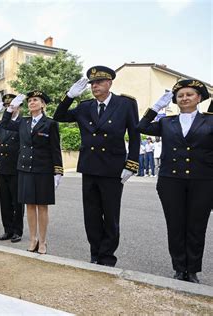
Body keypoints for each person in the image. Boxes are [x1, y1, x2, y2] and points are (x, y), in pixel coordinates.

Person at [53, 66, 140, 266]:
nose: (95, 86)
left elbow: (135, 136)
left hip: (113, 167)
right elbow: (59, 116)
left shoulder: (125, 104)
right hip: (90, 167)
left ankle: (107, 256)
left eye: (99, 82)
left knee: (110, 214)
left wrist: (132, 163)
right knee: (91, 215)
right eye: (92, 83)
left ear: (110, 83)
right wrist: (69, 96)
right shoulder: (85, 107)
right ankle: (95, 253)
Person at [137, 80, 213, 283]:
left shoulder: (210, 121)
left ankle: (193, 270)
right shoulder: (166, 122)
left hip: (203, 180)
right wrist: (155, 108)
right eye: (180, 95)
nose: (185, 98)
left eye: (190, 94)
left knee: (197, 226)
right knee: (176, 225)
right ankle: (179, 268)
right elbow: (141, 126)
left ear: (199, 98)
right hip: (171, 180)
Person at [0, 91, 63, 254]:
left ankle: (43, 240)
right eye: (30, 100)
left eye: (36, 100)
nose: (32, 102)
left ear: (43, 104)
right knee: (30, 206)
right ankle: (32, 239)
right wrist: (11, 108)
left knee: (42, 206)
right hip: (25, 168)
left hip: (43, 170)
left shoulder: (50, 123)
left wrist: (58, 171)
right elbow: (4, 124)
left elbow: (55, 148)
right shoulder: (23, 122)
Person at [0, 94, 24, 243]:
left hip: (15, 167)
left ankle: (17, 230)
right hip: (2, 166)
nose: (10, 108)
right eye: (7, 106)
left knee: (17, 201)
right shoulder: (2, 123)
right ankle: (7, 229)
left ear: (18, 107)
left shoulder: (23, 122)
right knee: (5, 201)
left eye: (12, 105)